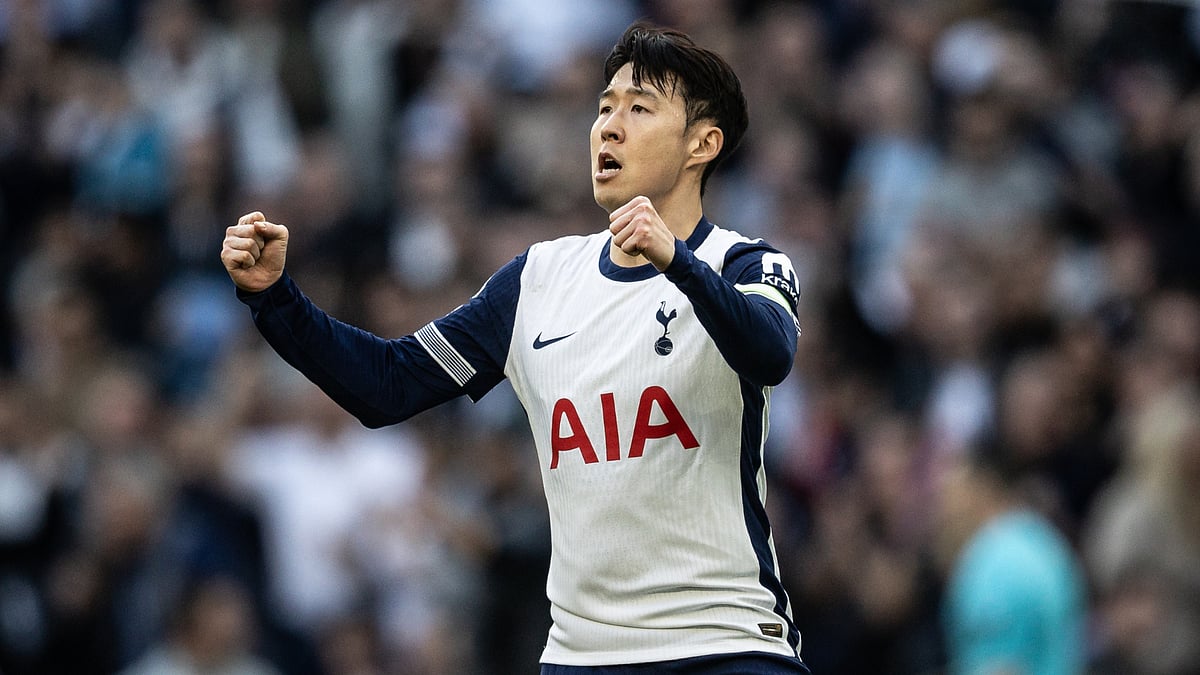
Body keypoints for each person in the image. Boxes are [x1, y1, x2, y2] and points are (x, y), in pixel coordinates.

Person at [221, 21, 808, 674]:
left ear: (703, 143)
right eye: (604, 108)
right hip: (585, 659)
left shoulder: (745, 263)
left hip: (724, 645)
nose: (608, 127)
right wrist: (275, 298)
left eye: (639, 108)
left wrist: (677, 260)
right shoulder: (536, 281)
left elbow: (768, 354)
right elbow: (385, 384)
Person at [937, 447, 1087, 675]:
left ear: (981, 489)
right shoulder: (1044, 542)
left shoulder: (994, 565)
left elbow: (1002, 668)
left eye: (951, 493)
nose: (945, 509)